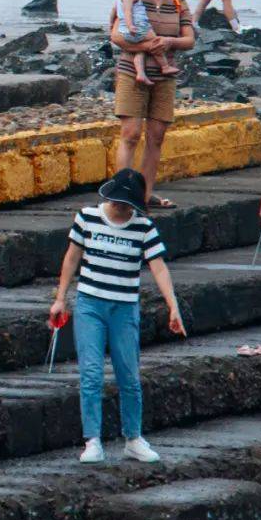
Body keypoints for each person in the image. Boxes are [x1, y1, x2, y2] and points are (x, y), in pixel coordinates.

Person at [50, 168, 185, 465]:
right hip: (90, 304)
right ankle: (93, 439)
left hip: (124, 307)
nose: (121, 208)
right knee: (91, 373)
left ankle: (133, 438)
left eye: (127, 204)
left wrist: (172, 305)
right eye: (118, 202)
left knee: (129, 374)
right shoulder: (87, 217)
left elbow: (158, 266)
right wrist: (60, 299)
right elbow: (72, 257)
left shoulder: (143, 227)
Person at [109, 0, 195, 209]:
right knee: (131, 133)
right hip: (131, 72)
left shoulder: (178, 3)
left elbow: (189, 40)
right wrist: (147, 47)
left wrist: (169, 41)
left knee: (156, 136)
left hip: (165, 78)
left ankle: (144, 197)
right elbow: (116, 36)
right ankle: (121, 195)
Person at [117, 0, 178, 85]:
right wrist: (130, 26)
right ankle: (165, 66)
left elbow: (114, 12)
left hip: (126, 30)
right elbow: (128, 12)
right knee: (156, 43)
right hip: (137, 28)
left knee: (140, 51)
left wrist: (110, 24)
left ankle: (140, 73)